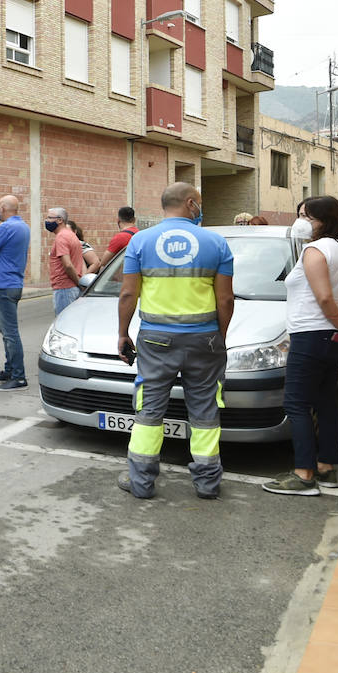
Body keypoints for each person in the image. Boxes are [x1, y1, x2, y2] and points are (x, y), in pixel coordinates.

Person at [116, 183, 234, 500]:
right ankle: (207, 484)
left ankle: (141, 482)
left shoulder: (140, 241)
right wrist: (219, 337)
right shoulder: (216, 242)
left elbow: (128, 294)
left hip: (155, 340)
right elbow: (225, 299)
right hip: (204, 338)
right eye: (200, 203)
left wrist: (123, 333)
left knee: (149, 410)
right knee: (205, 411)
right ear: (191, 203)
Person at [262, 197, 338, 496]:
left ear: (325, 220)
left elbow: (324, 297)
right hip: (334, 340)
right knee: (325, 402)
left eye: (307, 217)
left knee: (296, 404)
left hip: (311, 335)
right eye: (300, 215)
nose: (301, 222)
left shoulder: (316, 250)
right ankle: (326, 467)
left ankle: (304, 474)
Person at [0, 194, 30, 391]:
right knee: (7, 331)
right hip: (14, 282)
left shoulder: (5, 227)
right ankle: (9, 370)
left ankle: (18, 376)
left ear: (2, 208)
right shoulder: (23, 226)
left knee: (10, 333)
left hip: (4, 284)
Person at [45, 207, 84, 315]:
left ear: (60, 220)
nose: (47, 221)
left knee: (64, 321)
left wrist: (79, 283)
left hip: (64, 289)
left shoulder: (61, 237)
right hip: (71, 288)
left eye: (49, 218)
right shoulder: (71, 235)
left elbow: (67, 265)